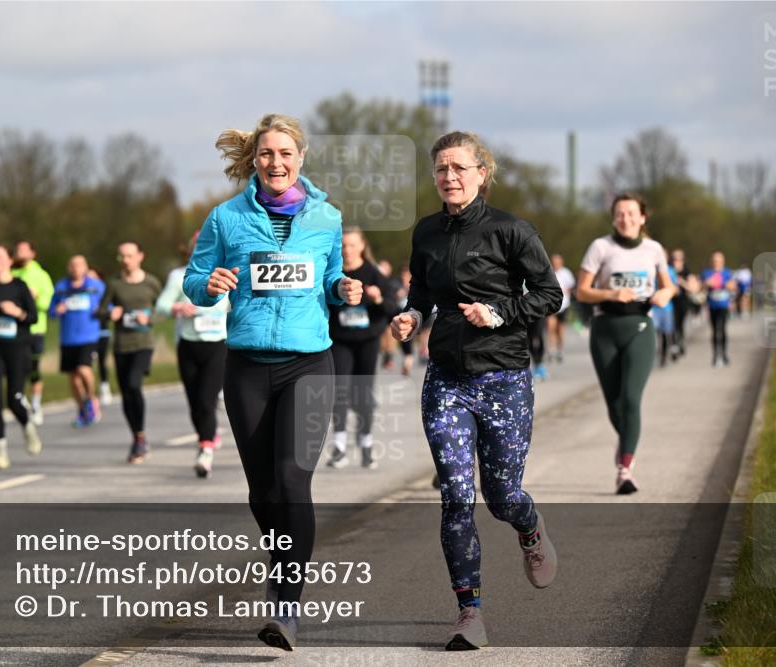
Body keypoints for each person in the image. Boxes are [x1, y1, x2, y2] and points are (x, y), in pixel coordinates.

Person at [183, 113, 362, 651]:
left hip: (309, 363)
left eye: (286, 154)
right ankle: (286, 556)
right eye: (267, 154)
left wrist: (343, 289)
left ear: (301, 158)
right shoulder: (225, 218)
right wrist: (209, 285)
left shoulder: (327, 218)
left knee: (291, 482)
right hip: (247, 367)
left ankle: (285, 606)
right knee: (263, 493)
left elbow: (330, 278)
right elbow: (195, 280)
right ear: (254, 160)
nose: (276, 162)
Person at [390, 131, 562, 651]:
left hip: (504, 377)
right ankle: (470, 613)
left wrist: (500, 312)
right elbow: (421, 289)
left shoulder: (512, 230)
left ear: (482, 173)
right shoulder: (426, 233)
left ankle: (529, 528)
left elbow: (551, 294)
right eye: (441, 169)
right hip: (446, 378)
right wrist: (411, 315)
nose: (450, 177)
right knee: (457, 496)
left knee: (501, 495)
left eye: (460, 168)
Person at [576, 193, 676, 494]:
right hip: (605, 328)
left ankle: (625, 468)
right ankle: (628, 443)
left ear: (643, 217)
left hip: (640, 327)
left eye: (631, 213)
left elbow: (669, 284)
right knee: (614, 404)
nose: (625, 218)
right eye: (620, 213)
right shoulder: (600, 247)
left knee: (632, 398)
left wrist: (665, 295)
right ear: (613, 217)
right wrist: (609, 294)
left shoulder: (654, 249)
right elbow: (582, 291)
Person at [155, 231, 229, 478]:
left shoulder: (226, 273)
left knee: (206, 400)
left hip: (218, 344)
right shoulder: (179, 276)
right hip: (188, 344)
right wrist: (177, 307)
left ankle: (205, 450)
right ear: (191, 250)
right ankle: (207, 435)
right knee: (195, 403)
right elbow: (161, 306)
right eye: (199, 246)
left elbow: (239, 305)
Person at [326, 227, 398, 470]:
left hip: (368, 340)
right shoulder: (333, 273)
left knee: (364, 394)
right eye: (343, 245)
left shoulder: (373, 273)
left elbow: (392, 309)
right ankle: (339, 447)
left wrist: (377, 299)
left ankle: (366, 445)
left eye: (352, 245)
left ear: (362, 246)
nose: (347, 250)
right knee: (340, 391)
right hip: (340, 340)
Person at [98, 241, 163, 463]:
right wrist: (110, 314)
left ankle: (140, 436)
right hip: (121, 345)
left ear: (140, 256)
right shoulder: (114, 283)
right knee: (126, 393)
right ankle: (138, 437)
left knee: (135, 385)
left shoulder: (151, 282)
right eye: (122, 256)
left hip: (143, 343)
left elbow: (162, 309)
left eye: (129, 256)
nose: (125, 260)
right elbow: (99, 310)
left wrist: (150, 318)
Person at [0, 245, 42, 470]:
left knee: (14, 401)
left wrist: (17, 312)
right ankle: (1, 452)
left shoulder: (19, 286)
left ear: (9, 261)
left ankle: (28, 428)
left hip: (18, 348)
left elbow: (33, 317)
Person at [49, 255, 106, 427]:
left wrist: (101, 310)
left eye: (79, 265)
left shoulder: (96, 286)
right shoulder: (61, 286)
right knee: (73, 379)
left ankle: (91, 398)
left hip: (89, 336)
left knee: (84, 369)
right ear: (69, 268)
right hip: (68, 338)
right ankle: (82, 409)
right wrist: (57, 310)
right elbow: (51, 311)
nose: (76, 268)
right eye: (72, 265)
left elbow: (108, 307)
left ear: (86, 267)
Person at [13, 240, 55, 426]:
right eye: (18, 250)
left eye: (23, 250)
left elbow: (49, 303)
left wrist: (34, 298)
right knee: (17, 366)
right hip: (14, 329)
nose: (20, 253)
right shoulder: (12, 274)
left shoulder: (41, 275)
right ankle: (21, 399)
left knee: (33, 368)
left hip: (36, 328)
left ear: (32, 253)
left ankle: (36, 404)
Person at [702, 251, 736, 367]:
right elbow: (701, 285)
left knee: (722, 330)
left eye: (719, 260)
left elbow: (733, 286)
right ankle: (716, 355)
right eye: (715, 260)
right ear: (712, 261)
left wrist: (724, 284)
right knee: (715, 331)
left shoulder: (727, 272)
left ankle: (724, 355)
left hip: (723, 306)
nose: (717, 263)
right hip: (712, 306)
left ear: (723, 261)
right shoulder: (707, 272)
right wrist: (707, 283)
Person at [89, 267, 114, 406]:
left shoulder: (104, 292)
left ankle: (104, 386)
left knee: (102, 361)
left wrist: (101, 311)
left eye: (93, 277)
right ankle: (91, 393)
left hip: (102, 332)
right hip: (87, 334)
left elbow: (110, 309)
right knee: (87, 363)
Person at [547, 253, 576, 364]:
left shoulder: (566, 273)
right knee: (551, 327)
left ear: (561, 262)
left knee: (560, 330)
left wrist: (564, 290)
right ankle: (550, 350)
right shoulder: (549, 271)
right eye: (554, 262)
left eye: (557, 262)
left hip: (563, 305)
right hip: (551, 305)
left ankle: (560, 350)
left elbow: (572, 286)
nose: (555, 264)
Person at [651, 264, 679, 367]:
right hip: (652, 308)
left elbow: (676, 289)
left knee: (665, 333)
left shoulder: (670, 270)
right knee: (654, 333)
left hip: (666, 307)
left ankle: (664, 356)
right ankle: (654, 356)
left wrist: (667, 289)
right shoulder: (648, 267)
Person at [669, 249, 694, 357]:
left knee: (681, 324)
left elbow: (691, 288)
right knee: (673, 324)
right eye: (675, 258)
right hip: (671, 302)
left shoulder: (686, 271)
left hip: (683, 302)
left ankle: (681, 342)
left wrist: (680, 280)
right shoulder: (668, 270)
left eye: (679, 259)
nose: (677, 261)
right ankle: (674, 345)